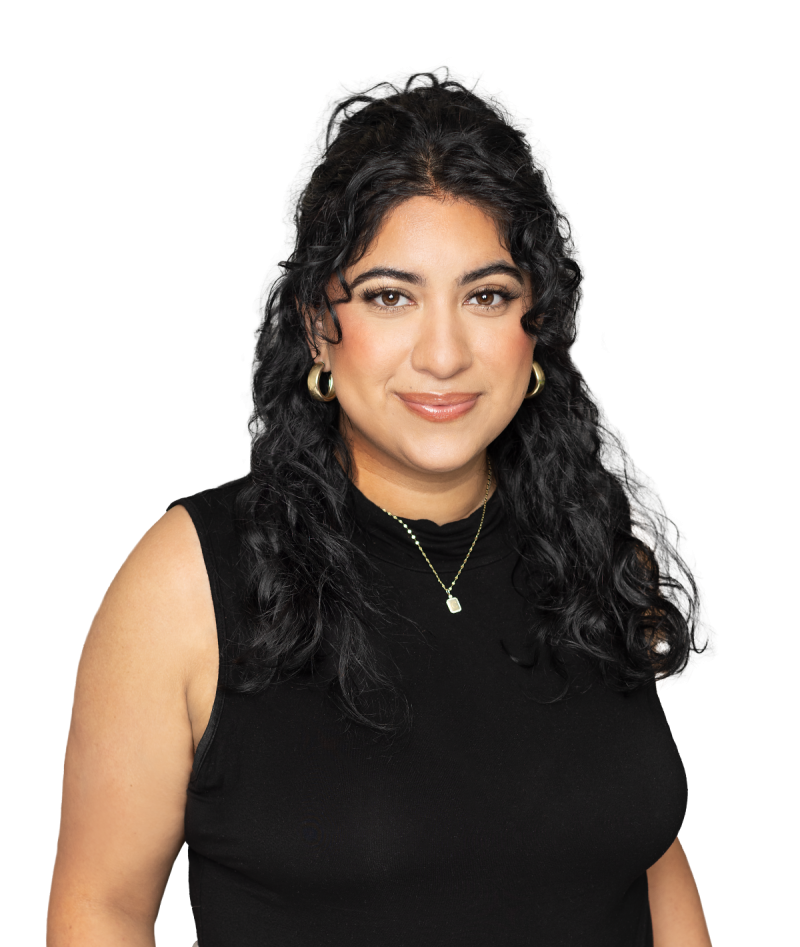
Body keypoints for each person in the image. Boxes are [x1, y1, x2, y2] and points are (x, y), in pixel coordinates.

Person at [47, 63, 717, 946]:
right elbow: (100, 911)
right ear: (319, 328)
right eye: (390, 296)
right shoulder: (187, 582)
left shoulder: (597, 539)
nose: (443, 354)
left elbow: (639, 853)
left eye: (487, 295)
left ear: (538, 324)